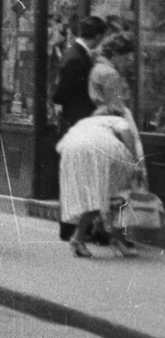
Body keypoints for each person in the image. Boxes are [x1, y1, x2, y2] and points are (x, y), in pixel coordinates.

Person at [57, 34, 144, 256]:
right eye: (127, 57)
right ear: (117, 55)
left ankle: (114, 237)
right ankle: (112, 237)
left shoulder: (96, 69)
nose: (128, 62)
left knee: (105, 190)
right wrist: (135, 159)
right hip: (112, 131)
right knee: (120, 188)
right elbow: (116, 106)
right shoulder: (111, 74)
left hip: (92, 128)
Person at [52, 14, 107, 135]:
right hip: (76, 118)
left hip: (76, 118)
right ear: (98, 37)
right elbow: (63, 90)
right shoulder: (76, 57)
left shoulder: (77, 53)